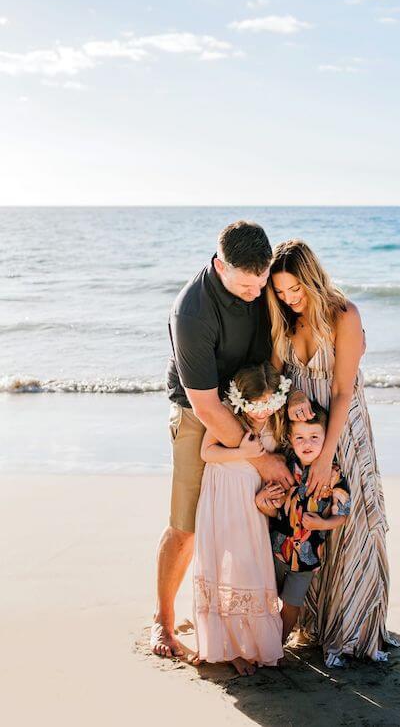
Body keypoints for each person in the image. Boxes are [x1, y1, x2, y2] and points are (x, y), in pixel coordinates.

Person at [151, 221, 293, 658]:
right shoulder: (192, 311)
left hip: (257, 405)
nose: (255, 293)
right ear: (220, 266)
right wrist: (260, 459)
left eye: (261, 282)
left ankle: (253, 616)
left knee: (262, 514)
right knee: (188, 522)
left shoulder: (261, 284)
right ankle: (164, 620)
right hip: (201, 412)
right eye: (246, 285)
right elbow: (207, 405)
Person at [267, 239, 398, 667]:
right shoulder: (284, 320)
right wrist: (290, 398)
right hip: (304, 439)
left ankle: (355, 629)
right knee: (309, 525)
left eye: (295, 290)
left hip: (342, 433)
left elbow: (342, 391)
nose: (289, 299)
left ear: (312, 278)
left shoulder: (345, 316)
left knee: (350, 523)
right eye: (281, 292)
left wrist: (328, 458)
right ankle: (314, 622)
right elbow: (277, 377)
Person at [193, 362, 291, 675]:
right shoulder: (227, 416)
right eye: (253, 404)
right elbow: (207, 453)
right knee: (226, 567)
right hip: (224, 497)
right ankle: (228, 647)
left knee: (251, 567)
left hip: (253, 504)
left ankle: (253, 642)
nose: (260, 412)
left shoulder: (277, 424)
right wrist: (243, 452)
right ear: (239, 399)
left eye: (268, 404)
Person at [256, 400, 350, 644]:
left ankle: (276, 644)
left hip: (308, 555)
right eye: (300, 438)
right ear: (290, 437)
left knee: (292, 603)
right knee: (266, 593)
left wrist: (323, 524)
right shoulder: (285, 466)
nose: (306, 444)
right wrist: (264, 501)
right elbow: (271, 500)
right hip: (277, 547)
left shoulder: (334, 474)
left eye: (314, 437)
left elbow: (343, 512)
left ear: (325, 436)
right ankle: (261, 636)